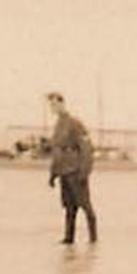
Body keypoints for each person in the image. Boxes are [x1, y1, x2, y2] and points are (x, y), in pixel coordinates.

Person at [46, 91, 98, 244]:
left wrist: (84, 170)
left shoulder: (74, 123)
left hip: (75, 171)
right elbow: (56, 151)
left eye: (55, 104)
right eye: (51, 105)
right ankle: (69, 238)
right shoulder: (58, 125)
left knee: (85, 206)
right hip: (64, 171)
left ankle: (93, 238)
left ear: (62, 104)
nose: (53, 108)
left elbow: (87, 148)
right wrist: (53, 174)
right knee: (69, 207)